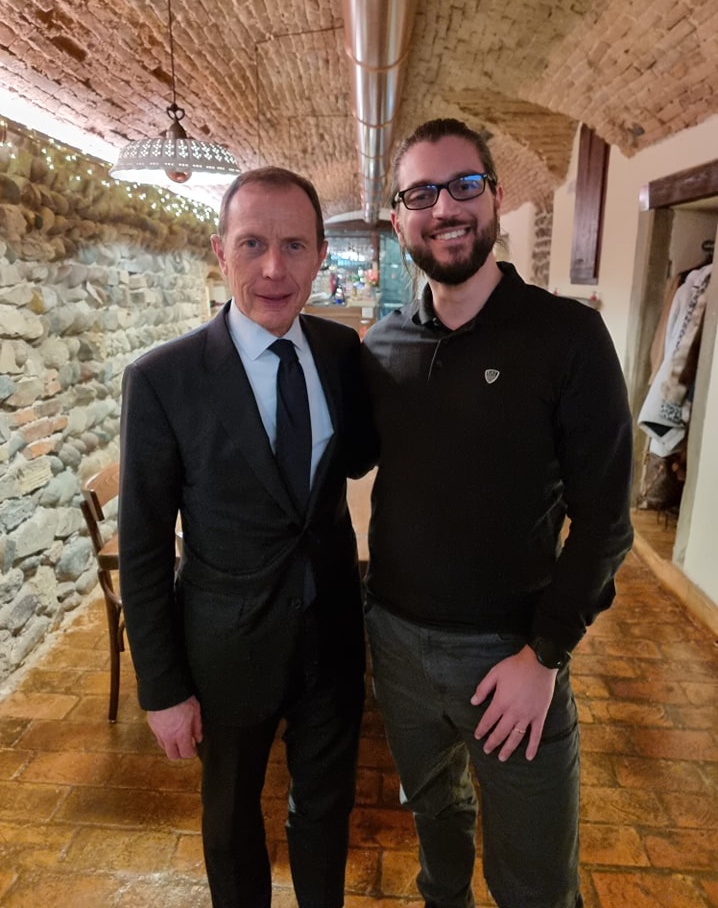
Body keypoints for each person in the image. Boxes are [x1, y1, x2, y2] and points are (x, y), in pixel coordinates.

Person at [361, 118, 634, 908]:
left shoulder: (567, 335)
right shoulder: (381, 346)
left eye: (464, 185)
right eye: (421, 194)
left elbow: (606, 520)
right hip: (397, 643)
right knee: (436, 823)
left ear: (496, 198)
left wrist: (544, 656)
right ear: (398, 220)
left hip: (510, 653)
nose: (446, 207)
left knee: (535, 880)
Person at [118, 167, 373, 908]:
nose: (273, 270)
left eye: (294, 246)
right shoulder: (163, 378)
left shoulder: (341, 352)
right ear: (220, 250)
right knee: (231, 823)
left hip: (332, 638)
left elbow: (358, 456)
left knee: (325, 812)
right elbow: (142, 544)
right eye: (253, 243)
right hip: (225, 650)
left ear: (320, 254)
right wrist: (163, 688)